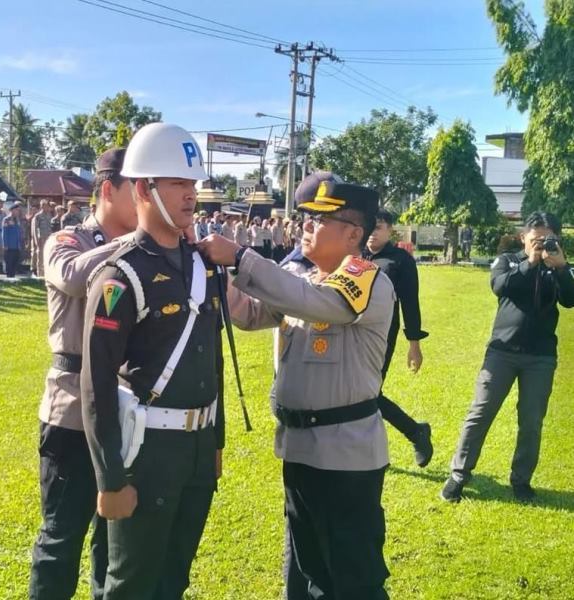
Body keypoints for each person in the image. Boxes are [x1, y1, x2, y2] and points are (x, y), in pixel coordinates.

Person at [199, 176, 394, 600]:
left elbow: (314, 302)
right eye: (305, 217)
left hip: (346, 456)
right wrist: (220, 274)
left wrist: (242, 256)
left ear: (353, 234)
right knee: (314, 575)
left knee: (355, 579)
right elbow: (250, 314)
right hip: (301, 448)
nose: (306, 224)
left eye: (321, 218)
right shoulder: (298, 278)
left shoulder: (366, 279)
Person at [81, 123, 224, 599]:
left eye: (193, 184)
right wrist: (110, 478)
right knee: (131, 585)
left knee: (174, 579)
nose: (191, 194)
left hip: (198, 448)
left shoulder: (202, 264)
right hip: (147, 452)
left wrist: (215, 440)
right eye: (178, 183)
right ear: (144, 188)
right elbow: (96, 382)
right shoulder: (120, 274)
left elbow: (212, 356)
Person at [29, 148, 137, 600]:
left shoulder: (144, 248)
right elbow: (72, 276)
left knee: (112, 543)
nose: (149, 199)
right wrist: (134, 242)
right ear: (108, 190)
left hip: (122, 409)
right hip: (72, 406)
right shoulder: (67, 239)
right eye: (140, 189)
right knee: (61, 536)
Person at [442, 211, 574, 503]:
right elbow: (500, 286)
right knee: (480, 414)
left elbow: (571, 299)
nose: (541, 244)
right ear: (523, 237)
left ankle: (521, 480)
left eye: (548, 238)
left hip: (540, 357)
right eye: (536, 238)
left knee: (531, 422)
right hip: (501, 353)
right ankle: (458, 475)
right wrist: (531, 262)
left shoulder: (560, 265)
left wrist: (562, 268)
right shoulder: (508, 261)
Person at [364, 209, 433, 467]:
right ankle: (416, 432)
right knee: (360, 393)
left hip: (382, 335)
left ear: (390, 230)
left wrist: (414, 346)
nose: (372, 233)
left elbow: (410, 304)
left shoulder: (400, 260)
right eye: (369, 227)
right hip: (352, 331)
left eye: (378, 227)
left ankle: (415, 432)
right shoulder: (355, 256)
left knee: (368, 393)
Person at [31, 202, 54, 278]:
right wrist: (36, 240)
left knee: (47, 256)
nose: (47, 208)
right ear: (42, 206)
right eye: (45, 206)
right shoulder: (38, 216)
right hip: (41, 239)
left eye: (47, 206)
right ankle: (40, 273)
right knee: (40, 257)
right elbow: (35, 229)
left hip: (49, 238)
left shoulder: (50, 215)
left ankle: (46, 273)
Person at [2, 202, 23, 277]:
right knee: (9, 263)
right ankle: (8, 278)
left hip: (16, 245)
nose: (18, 212)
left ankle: (12, 277)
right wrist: (5, 245)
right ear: (12, 210)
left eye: (18, 210)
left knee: (15, 263)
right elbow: (4, 233)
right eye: (17, 210)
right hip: (9, 246)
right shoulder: (6, 219)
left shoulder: (17, 220)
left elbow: (19, 232)